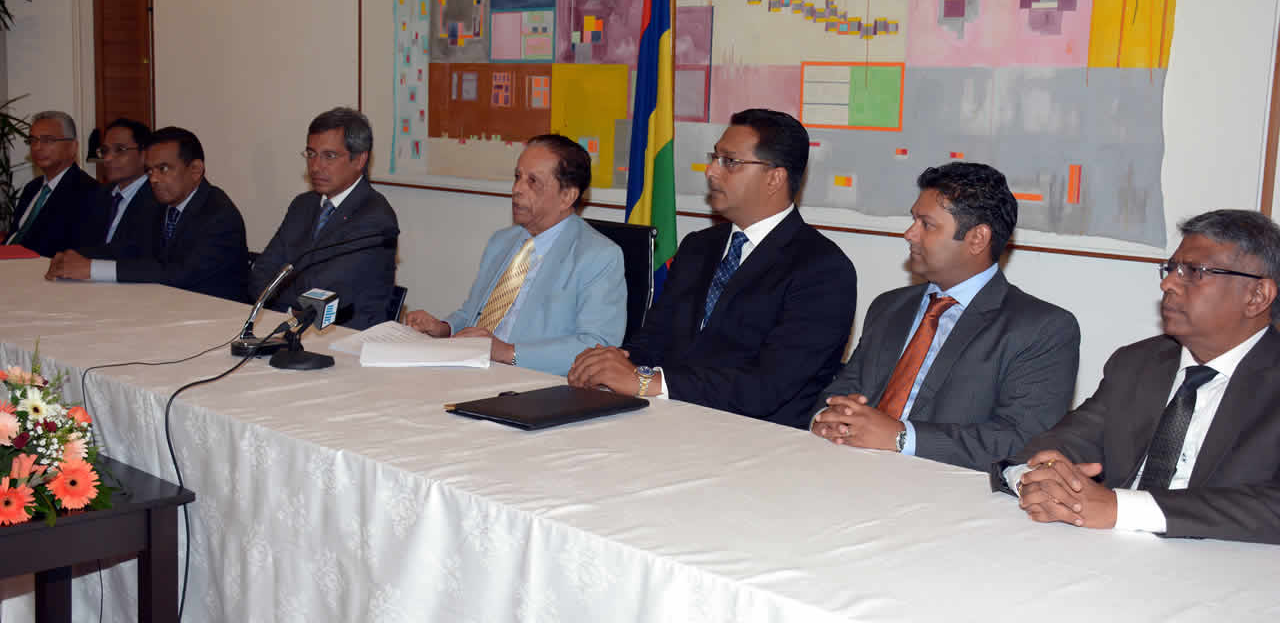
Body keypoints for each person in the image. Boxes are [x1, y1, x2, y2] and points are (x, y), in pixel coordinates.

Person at [995, 209, 1280, 544]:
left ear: (1257, 296)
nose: (1167, 283)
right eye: (1171, 268)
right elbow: (1061, 443)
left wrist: (1121, 508)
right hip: (1107, 550)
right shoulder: (1139, 363)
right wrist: (1033, 478)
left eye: (1194, 272)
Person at [568, 109, 858, 429]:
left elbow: (767, 386)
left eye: (729, 162)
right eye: (714, 158)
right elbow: (654, 340)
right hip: (667, 420)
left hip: (754, 436)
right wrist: (612, 364)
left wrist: (649, 382)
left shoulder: (823, 269)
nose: (711, 171)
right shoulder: (698, 246)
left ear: (774, 178)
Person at [811, 163, 1079, 470]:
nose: (909, 234)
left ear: (977, 239)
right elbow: (842, 390)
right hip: (848, 467)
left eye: (926, 224)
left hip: (941, 485)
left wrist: (901, 437)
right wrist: (826, 419)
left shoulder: (1041, 328)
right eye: (913, 219)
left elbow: (1019, 439)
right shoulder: (889, 307)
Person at [404, 134, 624, 375]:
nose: (517, 189)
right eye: (517, 177)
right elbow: (473, 314)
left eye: (533, 182)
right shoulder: (502, 242)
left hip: (535, 380)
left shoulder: (598, 256)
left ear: (567, 196)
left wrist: (507, 352)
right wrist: (444, 328)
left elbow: (596, 346)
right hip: (473, 368)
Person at [46, 127, 250, 302]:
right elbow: (130, 247)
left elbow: (178, 273)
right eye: (150, 171)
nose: (153, 179)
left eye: (163, 169)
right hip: (165, 304)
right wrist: (78, 257)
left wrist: (92, 269)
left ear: (195, 169)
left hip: (213, 316)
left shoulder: (219, 215)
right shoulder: (158, 203)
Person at [249, 108, 399, 330]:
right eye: (311, 154)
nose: (316, 166)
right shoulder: (303, 205)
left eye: (329, 156)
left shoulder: (375, 218)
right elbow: (261, 274)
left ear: (359, 159)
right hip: (293, 329)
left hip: (347, 337)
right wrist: (291, 307)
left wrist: (283, 299)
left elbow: (323, 292)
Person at [6, 110, 99, 257]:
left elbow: (75, 251)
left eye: (48, 140)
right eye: (33, 140)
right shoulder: (32, 188)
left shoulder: (89, 192)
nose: (37, 147)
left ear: (72, 147)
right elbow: (15, 236)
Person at [77, 118, 160, 261]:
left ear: (144, 154)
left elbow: (136, 254)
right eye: (105, 151)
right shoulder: (99, 195)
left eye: (119, 150)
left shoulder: (157, 198)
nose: (108, 158)